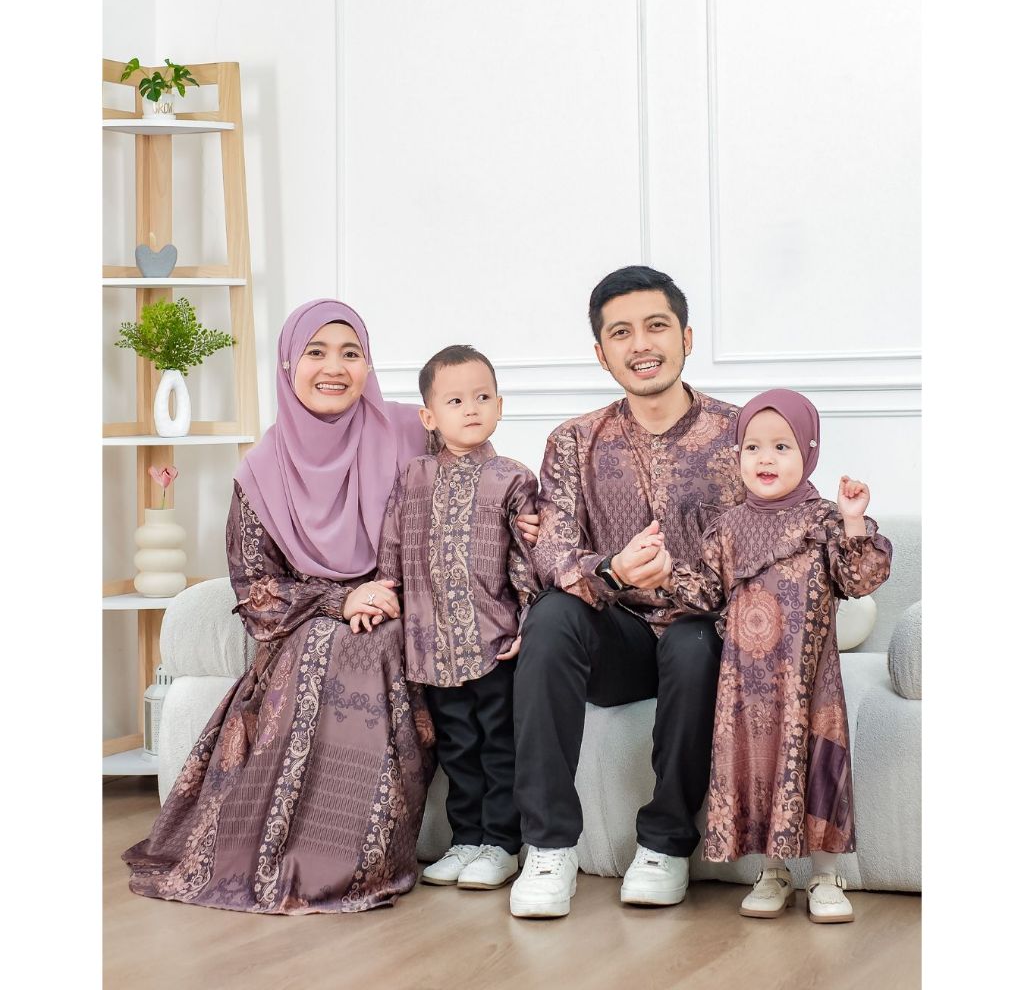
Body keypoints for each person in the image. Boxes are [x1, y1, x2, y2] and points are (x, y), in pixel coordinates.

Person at [122, 300, 539, 913]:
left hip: (421, 612)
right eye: (315, 353)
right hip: (311, 618)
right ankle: (297, 854)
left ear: (369, 365)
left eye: (351, 353)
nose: (334, 367)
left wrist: (523, 530)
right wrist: (342, 599)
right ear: (288, 364)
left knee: (372, 647)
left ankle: (363, 856)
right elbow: (256, 587)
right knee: (332, 644)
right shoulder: (261, 470)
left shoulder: (414, 428)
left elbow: (476, 484)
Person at [508, 265, 746, 919]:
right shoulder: (573, 441)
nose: (641, 345)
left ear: (687, 338)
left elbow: (759, 554)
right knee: (552, 616)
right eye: (621, 333)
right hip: (618, 640)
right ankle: (548, 847)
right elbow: (553, 552)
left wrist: (677, 581)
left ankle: (666, 845)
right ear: (601, 352)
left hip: (700, 636)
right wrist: (613, 572)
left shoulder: (740, 436)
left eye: (656, 326)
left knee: (695, 645)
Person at [669, 389, 892, 923]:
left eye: (781, 446)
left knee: (817, 765)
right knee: (759, 765)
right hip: (747, 686)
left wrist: (854, 520)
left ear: (809, 451)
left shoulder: (824, 521)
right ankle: (772, 871)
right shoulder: (728, 527)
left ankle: (825, 875)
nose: (765, 459)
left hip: (809, 681)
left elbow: (860, 579)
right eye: (752, 447)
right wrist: (659, 572)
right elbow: (703, 591)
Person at [368, 345, 539, 892]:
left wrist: (528, 619)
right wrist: (384, 590)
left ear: (499, 406)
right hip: (431, 642)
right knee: (458, 746)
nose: (471, 409)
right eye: (456, 401)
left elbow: (527, 557)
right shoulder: (413, 477)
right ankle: (466, 839)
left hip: (494, 640)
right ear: (429, 416)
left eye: (482, 397)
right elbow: (393, 542)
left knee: (499, 744)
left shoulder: (513, 479)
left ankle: (501, 844)